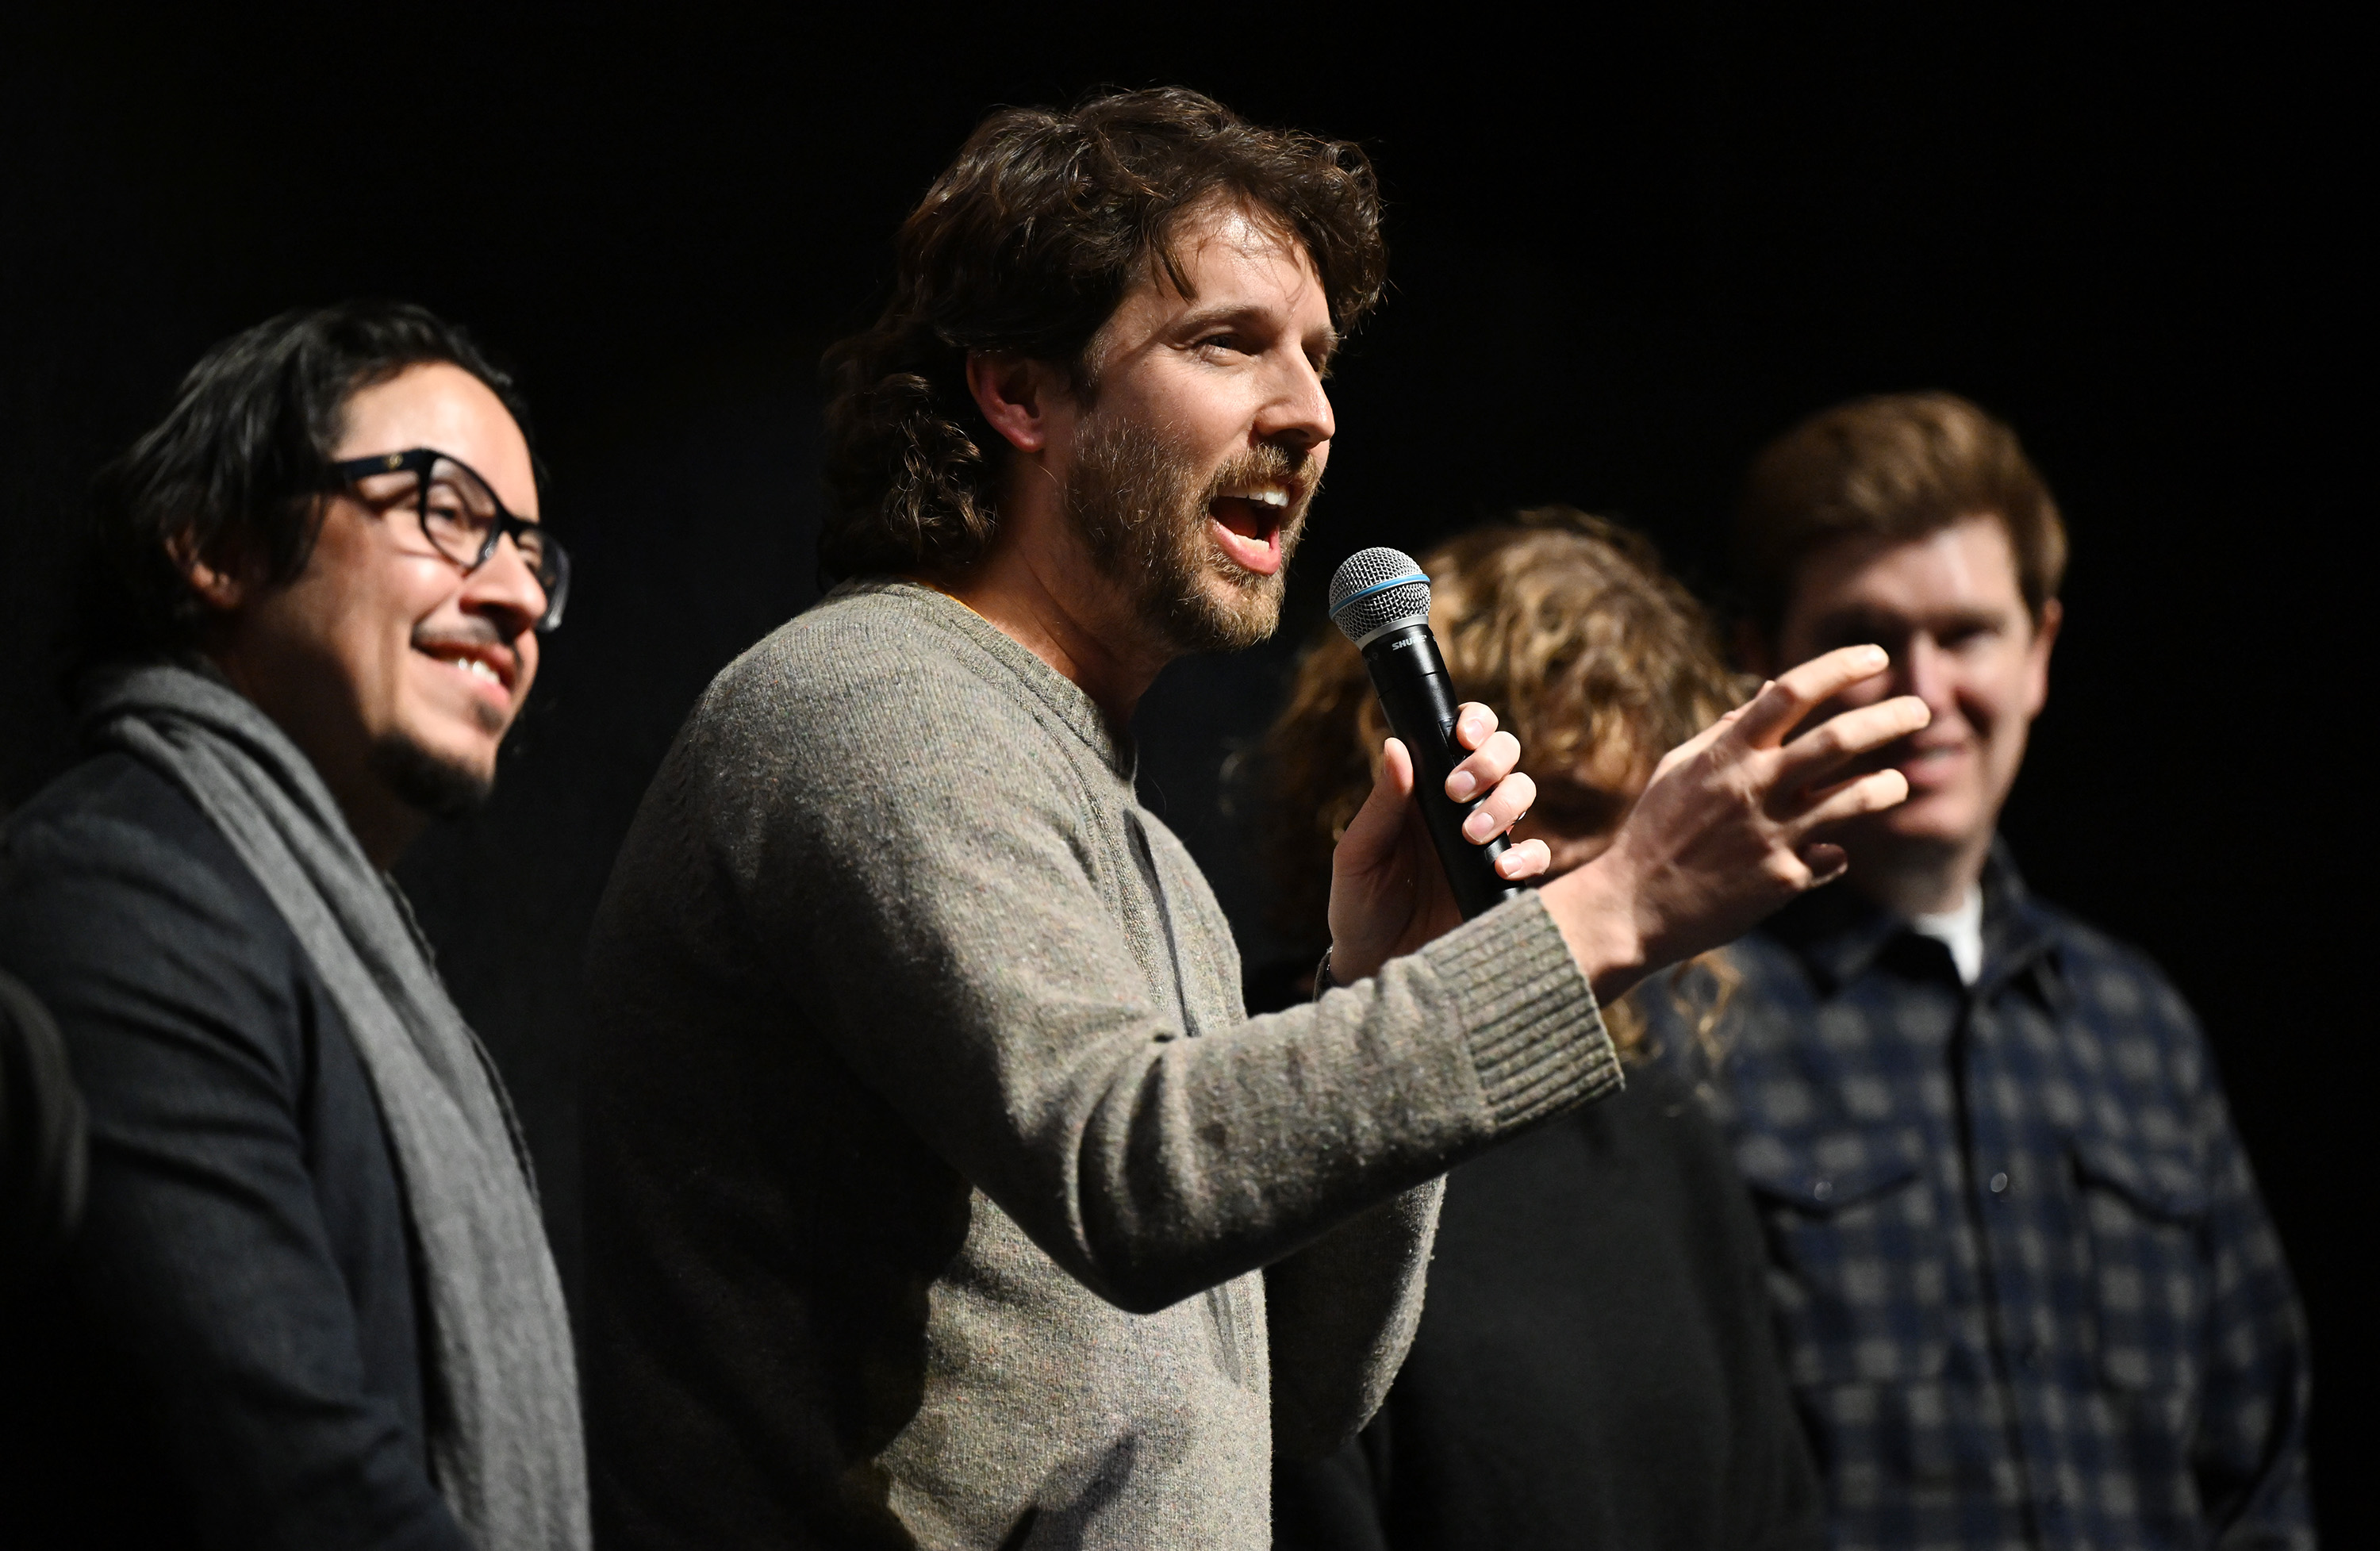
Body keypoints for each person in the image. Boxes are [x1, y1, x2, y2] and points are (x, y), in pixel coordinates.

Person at [582, 88, 1927, 1550]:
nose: (1312, 413)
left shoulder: (1144, 848)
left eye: (1319, 359)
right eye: (1228, 343)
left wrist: (1386, 987)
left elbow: (1283, 1402)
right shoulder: (873, 704)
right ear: (1020, 391)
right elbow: (1131, 1169)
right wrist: (1614, 912)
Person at [1643, 392, 2313, 1548]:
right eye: (1868, 636)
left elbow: (2260, 1472)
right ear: (1763, 667)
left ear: (2040, 651)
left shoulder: (2140, 1029)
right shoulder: (1690, 1017)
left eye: (1966, 635)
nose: (1924, 690)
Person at [0, 302, 587, 1550]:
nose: (518, 597)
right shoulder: (117, 895)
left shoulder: (349, 953)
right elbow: (290, 1489)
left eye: (534, 554)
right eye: (446, 511)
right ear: (215, 545)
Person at [1261, 509, 1821, 1551]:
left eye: (1580, 809)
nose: (1533, 851)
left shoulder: (1665, 1134)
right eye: (1502, 794)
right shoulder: (1278, 1086)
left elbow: (1773, 1510)